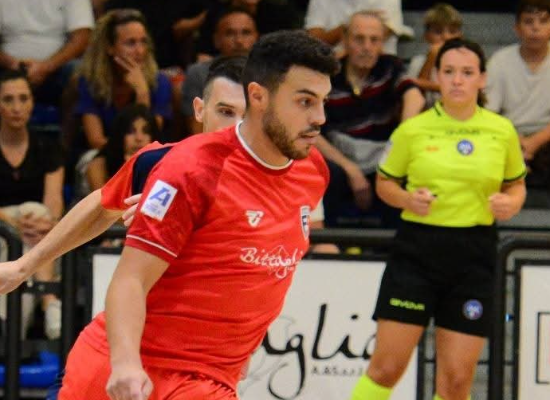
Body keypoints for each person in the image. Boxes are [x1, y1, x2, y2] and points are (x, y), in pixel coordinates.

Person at [56, 30, 337, 400]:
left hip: (208, 378)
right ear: (258, 96)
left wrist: (243, 348)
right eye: (305, 101)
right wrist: (125, 363)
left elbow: (254, 274)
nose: (319, 117)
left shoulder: (313, 171)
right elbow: (128, 273)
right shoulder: (189, 167)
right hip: (129, 367)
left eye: (323, 101)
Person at [350, 38, 527, 400]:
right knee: (386, 368)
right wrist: (406, 199)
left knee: (457, 380)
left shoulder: (501, 130)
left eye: (467, 72)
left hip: (473, 255)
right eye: (448, 72)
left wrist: (510, 203)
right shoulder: (413, 129)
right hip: (417, 251)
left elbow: (516, 186)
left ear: (482, 79)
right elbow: (384, 183)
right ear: (437, 77)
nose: (457, 80)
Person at [314, 11, 424, 226]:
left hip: (382, 156)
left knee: (405, 171)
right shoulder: (327, 74)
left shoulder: (390, 67)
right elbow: (310, 128)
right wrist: (351, 170)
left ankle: (394, 242)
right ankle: (328, 242)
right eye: (359, 39)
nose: (367, 47)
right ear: (345, 40)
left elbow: (415, 97)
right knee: (324, 171)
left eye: (374, 40)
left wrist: (398, 144)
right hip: (339, 159)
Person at [0, 70, 64, 340]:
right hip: (3, 226)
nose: (17, 107)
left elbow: (53, 201)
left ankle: (10, 333)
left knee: (40, 218)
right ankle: (49, 302)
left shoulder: (47, 147)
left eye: (23, 98)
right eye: (8, 99)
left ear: (32, 103)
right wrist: (13, 224)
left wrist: (44, 224)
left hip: (33, 232)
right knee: (14, 238)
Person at [75, 9, 172, 150]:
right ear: (110, 47)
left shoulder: (159, 82)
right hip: (104, 154)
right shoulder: (91, 81)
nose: (140, 51)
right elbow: (95, 141)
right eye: (130, 43)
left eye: (143, 42)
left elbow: (146, 141)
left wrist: (142, 94)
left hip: (146, 155)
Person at [486, 0, 550, 198]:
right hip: (508, 134)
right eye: (528, 22)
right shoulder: (500, 61)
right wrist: (516, 141)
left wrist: (534, 143)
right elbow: (489, 113)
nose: (535, 28)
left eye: (543, 21)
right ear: (517, 28)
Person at [0, 0, 93, 106]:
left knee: (80, 71)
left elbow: (82, 39)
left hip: (58, 69)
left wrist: (46, 67)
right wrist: (12, 64)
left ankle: (73, 118)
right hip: (6, 68)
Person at [181, 8, 258, 134]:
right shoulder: (198, 73)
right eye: (230, 33)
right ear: (216, 40)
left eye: (246, 33)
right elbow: (198, 132)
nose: (239, 41)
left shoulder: (270, 74)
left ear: (257, 37)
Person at [86, 104, 159, 193]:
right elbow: (106, 201)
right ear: (119, 135)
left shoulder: (162, 165)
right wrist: (128, 170)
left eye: (146, 131)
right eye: (131, 131)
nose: (139, 138)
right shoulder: (98, 166)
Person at [304, 0, 413, 56]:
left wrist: (349, 29)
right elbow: (313, 44)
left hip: (381, 76)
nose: (366, 45)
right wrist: (351, 24)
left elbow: (372, 40)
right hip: (330, 73)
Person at [407, 3, 463, 107]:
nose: (446, 37)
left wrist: (425, 84)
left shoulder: (467, 62)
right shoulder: (418, 62)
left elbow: (464, 90)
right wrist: (430, 59)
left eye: (452, 31)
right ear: (427, 36)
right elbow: (415, 96)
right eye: (438, 32)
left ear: (460, 35)